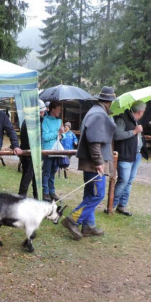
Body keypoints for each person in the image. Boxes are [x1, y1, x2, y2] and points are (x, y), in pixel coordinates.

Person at [61, 86, 117, 239]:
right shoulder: (99, 114)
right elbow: (94, 142)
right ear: (110, 101)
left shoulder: (95, 112)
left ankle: (88, 225)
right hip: (94, 164)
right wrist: (99, 162)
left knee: (90, 194)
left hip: (91, 163)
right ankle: (73, 219)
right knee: (97, 196)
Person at [112, 101, 148, 216]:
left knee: (129, 181)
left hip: (136, 155)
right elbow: (117, 135)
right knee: (123, 181)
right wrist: (134, 131)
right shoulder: (121, 119)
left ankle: (122, 206)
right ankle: (111, 205)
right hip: (125, 155)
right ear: (140, 111)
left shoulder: (135, 121)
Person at [18, 100, 47, 198]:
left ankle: (36, 196)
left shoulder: (35, 121)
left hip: (33, 152)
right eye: (42, 111)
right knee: (28, 175)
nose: (43, 113)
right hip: (29, 152)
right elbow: (30, 140)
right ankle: (22, 196)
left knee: (35, 176)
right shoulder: (30, 122)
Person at [41, 100, 64, 201]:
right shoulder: (45, 120)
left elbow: (61, 137)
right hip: (47, 150)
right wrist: (57, 133)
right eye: (58, 109)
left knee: (53, 172)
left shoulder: (59, 121)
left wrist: (61, 134)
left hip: (57, 151)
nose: (60, 111)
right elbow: (45, 137)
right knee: (46, 172)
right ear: (53, 109)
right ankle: (45, 192)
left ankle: (52, 191)